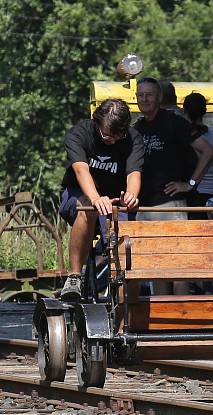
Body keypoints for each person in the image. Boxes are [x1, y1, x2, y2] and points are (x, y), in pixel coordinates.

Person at [57, 99, 144, 300]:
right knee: (87, 208)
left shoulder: (132, 138)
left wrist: (131, 196)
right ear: (97, 122)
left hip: (114, 201)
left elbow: (133, 174)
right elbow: (81, 169)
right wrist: (96, 199)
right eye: (106, 135)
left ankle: (125, 295)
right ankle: (74, 277)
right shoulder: (80, 133)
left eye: (117, 136)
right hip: (78, 195)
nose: (111, 140)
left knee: (126, 227)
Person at [133, 77, 213, 221]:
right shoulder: (137, 128)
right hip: (142, 205)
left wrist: (190, 184)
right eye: (140, 95)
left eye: (149, 95)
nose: (144, 99)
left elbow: (207, 151)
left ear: (159, 98)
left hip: (169, 205)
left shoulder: (175, 123)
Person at [183, 92, 213, 217]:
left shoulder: (187, 135)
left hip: (196, 194)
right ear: (204, 111)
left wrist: (190, 183)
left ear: (184, 110)